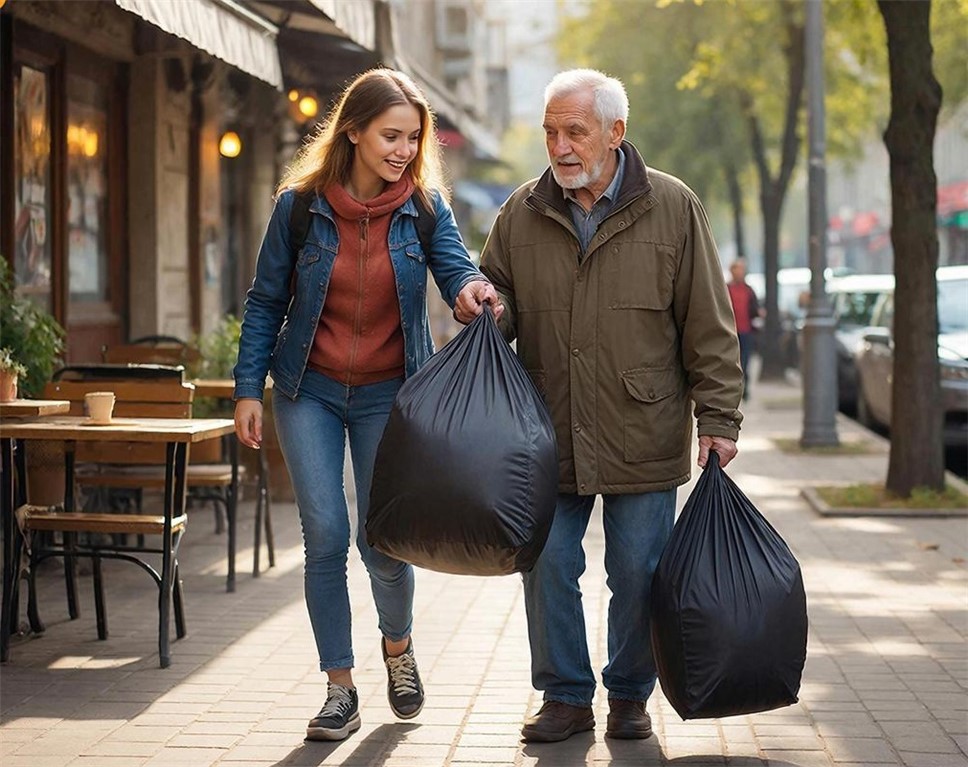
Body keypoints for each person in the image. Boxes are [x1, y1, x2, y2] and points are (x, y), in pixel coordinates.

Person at [233, 68, 499, 742]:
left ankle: (398, 646)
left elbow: (455, 266)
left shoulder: (427, 207)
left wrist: (470, 292)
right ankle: (339, 688)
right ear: (352, 131)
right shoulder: (298, 207)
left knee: (381, 537)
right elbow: (266, 302)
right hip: (308, 391)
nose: (404, 149)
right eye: (391, 135)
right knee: (323, 533)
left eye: (414, 137)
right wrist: (247, 389)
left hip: (390, 393)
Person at [479, 69, 744, 743]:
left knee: (640, 572)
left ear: (615, 132)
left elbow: (709, 325)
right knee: (546, 564)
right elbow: (492, 306)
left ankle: (629, 692)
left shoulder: (673, 207)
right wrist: (478, 302)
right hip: (547, 430)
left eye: (576, 130)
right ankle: (565, 694)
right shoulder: (521, 211)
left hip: (642, 426)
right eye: (550, 131)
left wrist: (718, 419)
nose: (560, 146)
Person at [727, 258, 761, 401]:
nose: (739, 272)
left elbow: (754, 309)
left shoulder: (749, 290)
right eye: (736, 269)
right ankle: (733, 388)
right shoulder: (725, 289)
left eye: (741, 269)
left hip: (746, 330)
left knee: (745, 360)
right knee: (731, 361)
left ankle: (745, 388)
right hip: (730, 331)